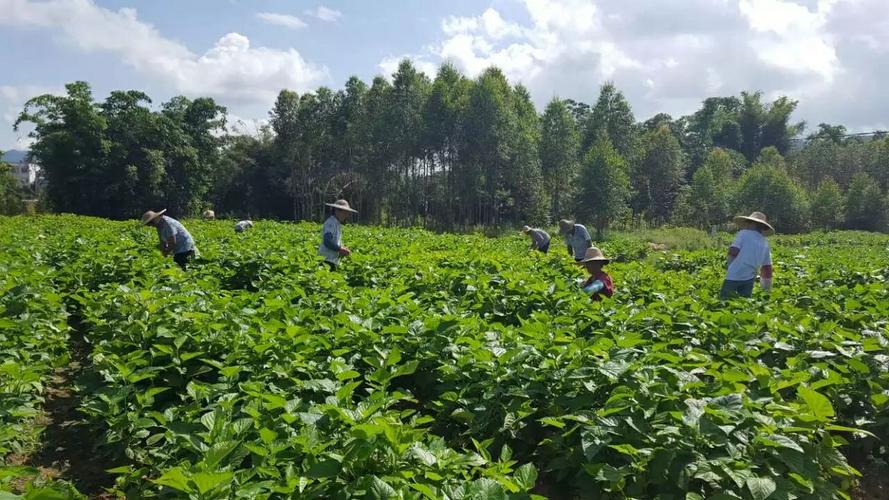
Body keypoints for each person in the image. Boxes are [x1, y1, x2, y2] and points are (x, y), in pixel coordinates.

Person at [720, 211, 774, 299]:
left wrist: (730, 266)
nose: (746, 225)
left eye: (748, 222)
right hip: (750, 278)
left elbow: (733, 251)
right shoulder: (765, 242)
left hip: (735, 275)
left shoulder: (743, 233)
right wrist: (766, 289)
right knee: (744, 303)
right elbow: (767, 268)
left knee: (724, 302)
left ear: (752, 224)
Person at [318, 199, 357, 270]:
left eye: (347, 213)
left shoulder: (337, 223)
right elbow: (327, 241)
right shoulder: (331, 223)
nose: (346, 215)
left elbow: (334, 241)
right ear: (337, 211)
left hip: (333, 260)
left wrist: (343, 248)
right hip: (326, 260)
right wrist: (340, 249)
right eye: (345, 212)